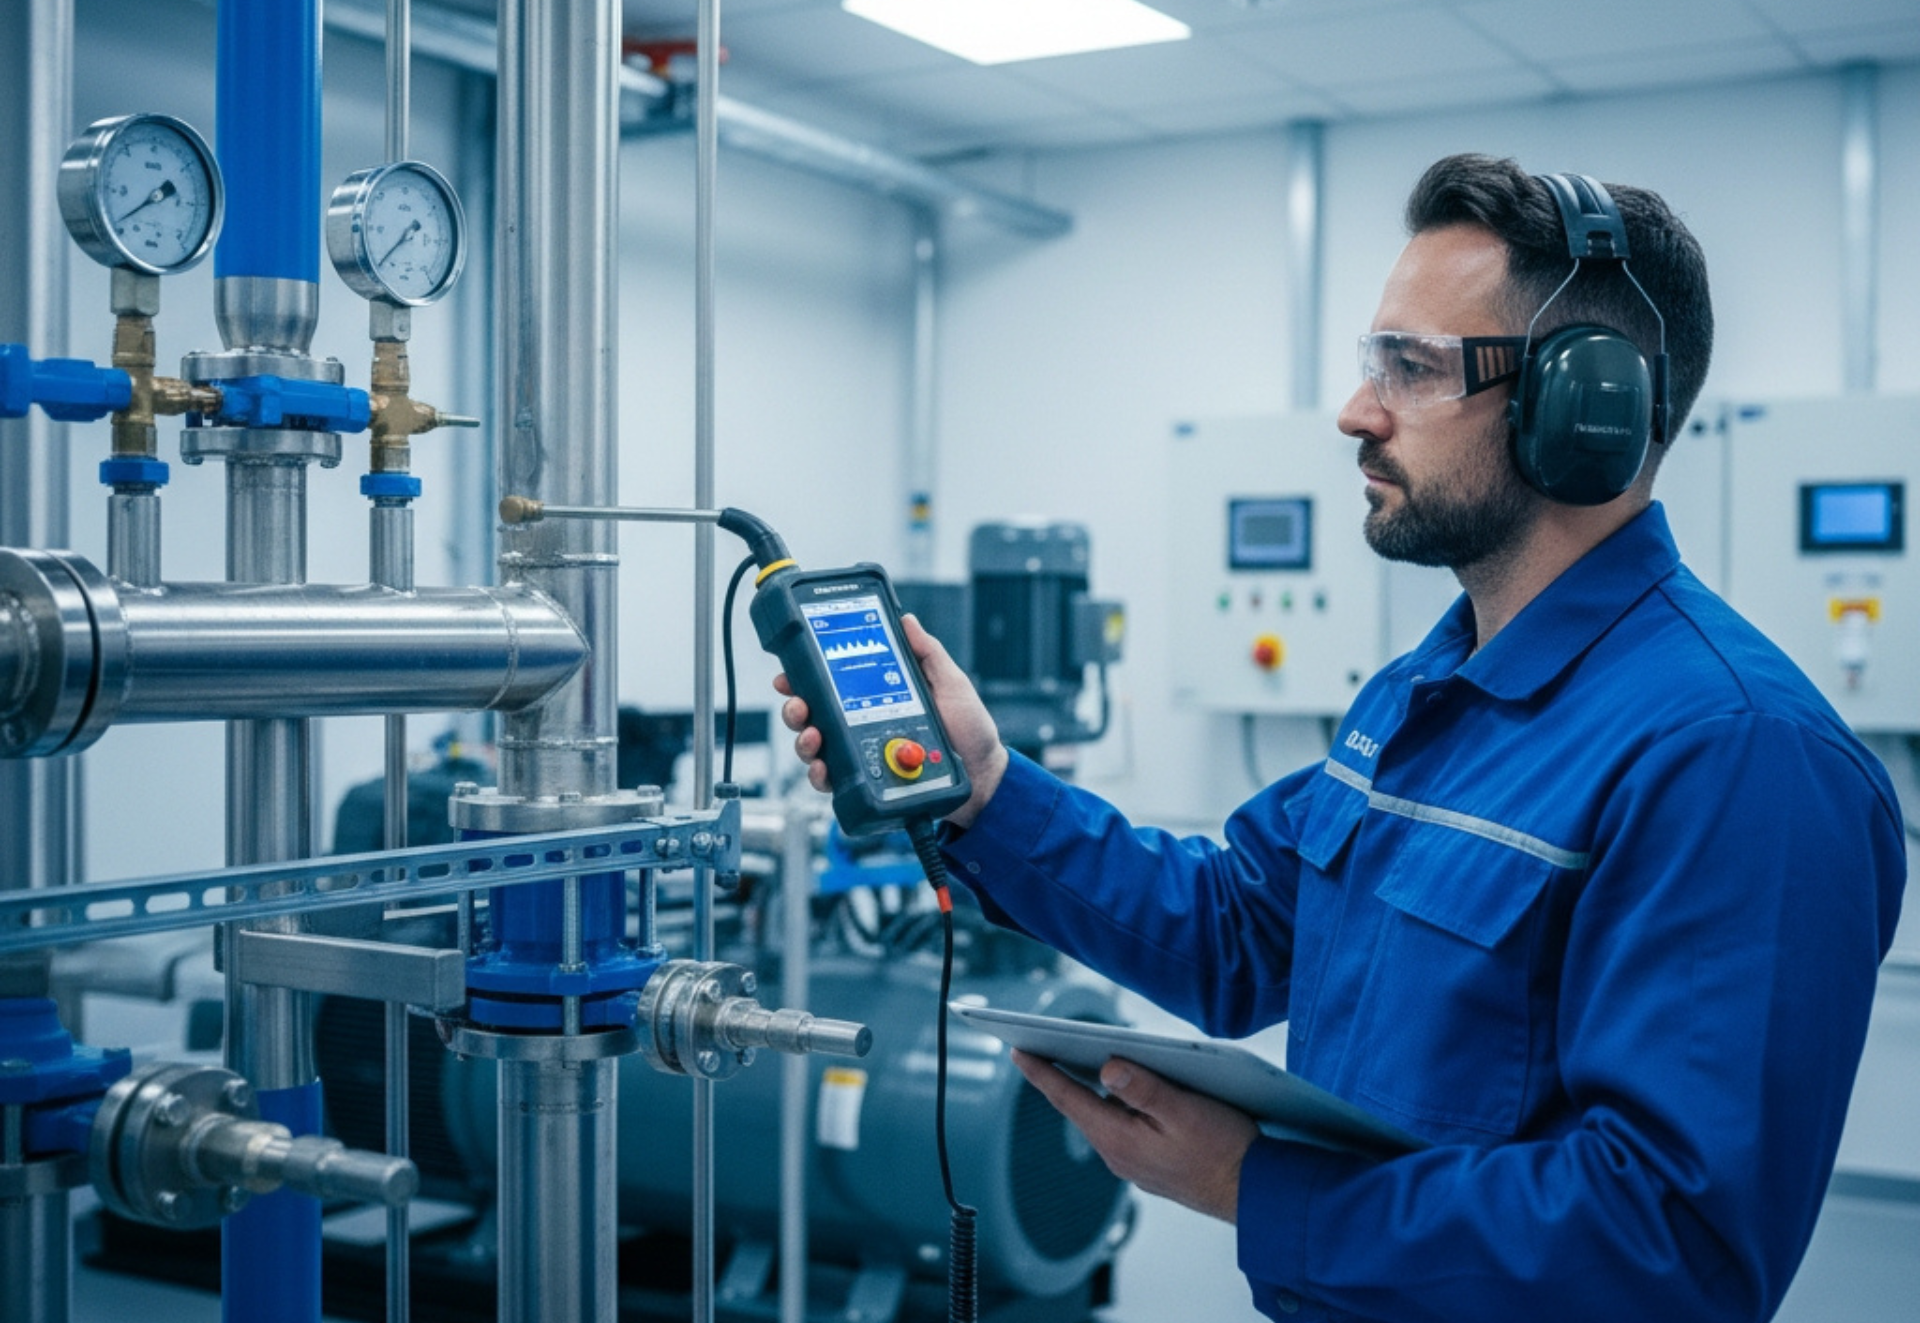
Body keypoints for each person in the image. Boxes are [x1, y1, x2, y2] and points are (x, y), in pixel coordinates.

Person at [777, 154, 1907, 1322]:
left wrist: (1249, 1185)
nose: (1358, 412)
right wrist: (984, 788)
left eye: (1412, 369)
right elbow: (1238, 927)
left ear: (1584, 406)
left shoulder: (1740, 759)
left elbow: (1670, 1248)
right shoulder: (1431, 685)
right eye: (1377, 362)